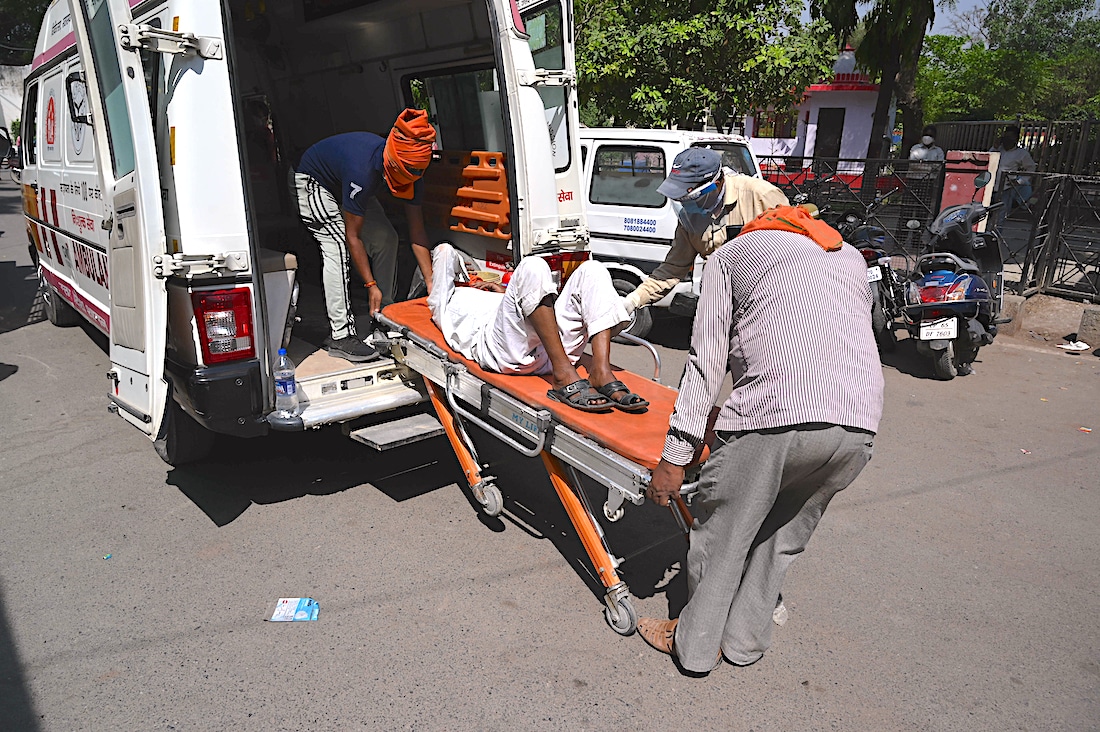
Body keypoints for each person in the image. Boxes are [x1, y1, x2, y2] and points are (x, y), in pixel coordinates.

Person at [636, 203, 884, 675]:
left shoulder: (733, 256)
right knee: (780, 539)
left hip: (778, 415)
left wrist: (675, 454)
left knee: (722, 535)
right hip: (858, 425)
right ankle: (744, 643)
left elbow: (706, 364)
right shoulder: (849, 257)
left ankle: (693, 646)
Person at [426, 243, 649, 413]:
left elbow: (525, 303)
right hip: (509, 355)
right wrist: (454, 263)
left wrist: (503, 293)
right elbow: (443, 251)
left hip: (551, 346)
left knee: (592, 270)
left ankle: (600, 370)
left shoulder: (496, 293)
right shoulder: (446, 299)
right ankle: (562, 374)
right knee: (532, 266)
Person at [291, 109, 436, 362]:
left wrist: (432, 280)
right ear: (391, 162)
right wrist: (371, 285)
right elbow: (353, 236)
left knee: (386, 238)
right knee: (336, 245)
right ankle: (341, 335)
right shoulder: (363, 169)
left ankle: (384, 314)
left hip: (349, 185)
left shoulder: (414, 172)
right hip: (314, 180)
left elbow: (417, 231)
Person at [621, 148, 789, 315]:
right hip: (719, 305)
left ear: (715, 185)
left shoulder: (762, 196)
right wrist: (634, 300)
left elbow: (792, 258)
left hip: (765, 303)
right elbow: (672, 268)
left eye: (690, 198)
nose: (686, 205)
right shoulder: (690, 218)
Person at [990, 125, 1037, 224]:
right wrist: (995, 147)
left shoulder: (1021, 154)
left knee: (1000, 215)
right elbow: (987, 159)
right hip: (990, 185)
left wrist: (1020, 181)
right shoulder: (997, 149)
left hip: (1005, 188)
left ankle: (995, 236)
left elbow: (1031, 168)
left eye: (1010, 138)